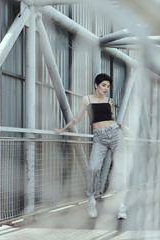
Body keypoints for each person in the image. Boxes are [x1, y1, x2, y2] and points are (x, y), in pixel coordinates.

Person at [55, 73, 127, 220]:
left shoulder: (110, 101)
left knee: (120, 170)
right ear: (96, 85)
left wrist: (122, 126)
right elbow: (77, 118)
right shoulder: (86, 99)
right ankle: (91, 200)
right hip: (99, 137)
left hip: (115, 134)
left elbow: (111, 119)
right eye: (103, 85)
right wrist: (63, 129)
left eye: (108, 86)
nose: (106, 89)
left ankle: (121, 206)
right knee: (93, 168)